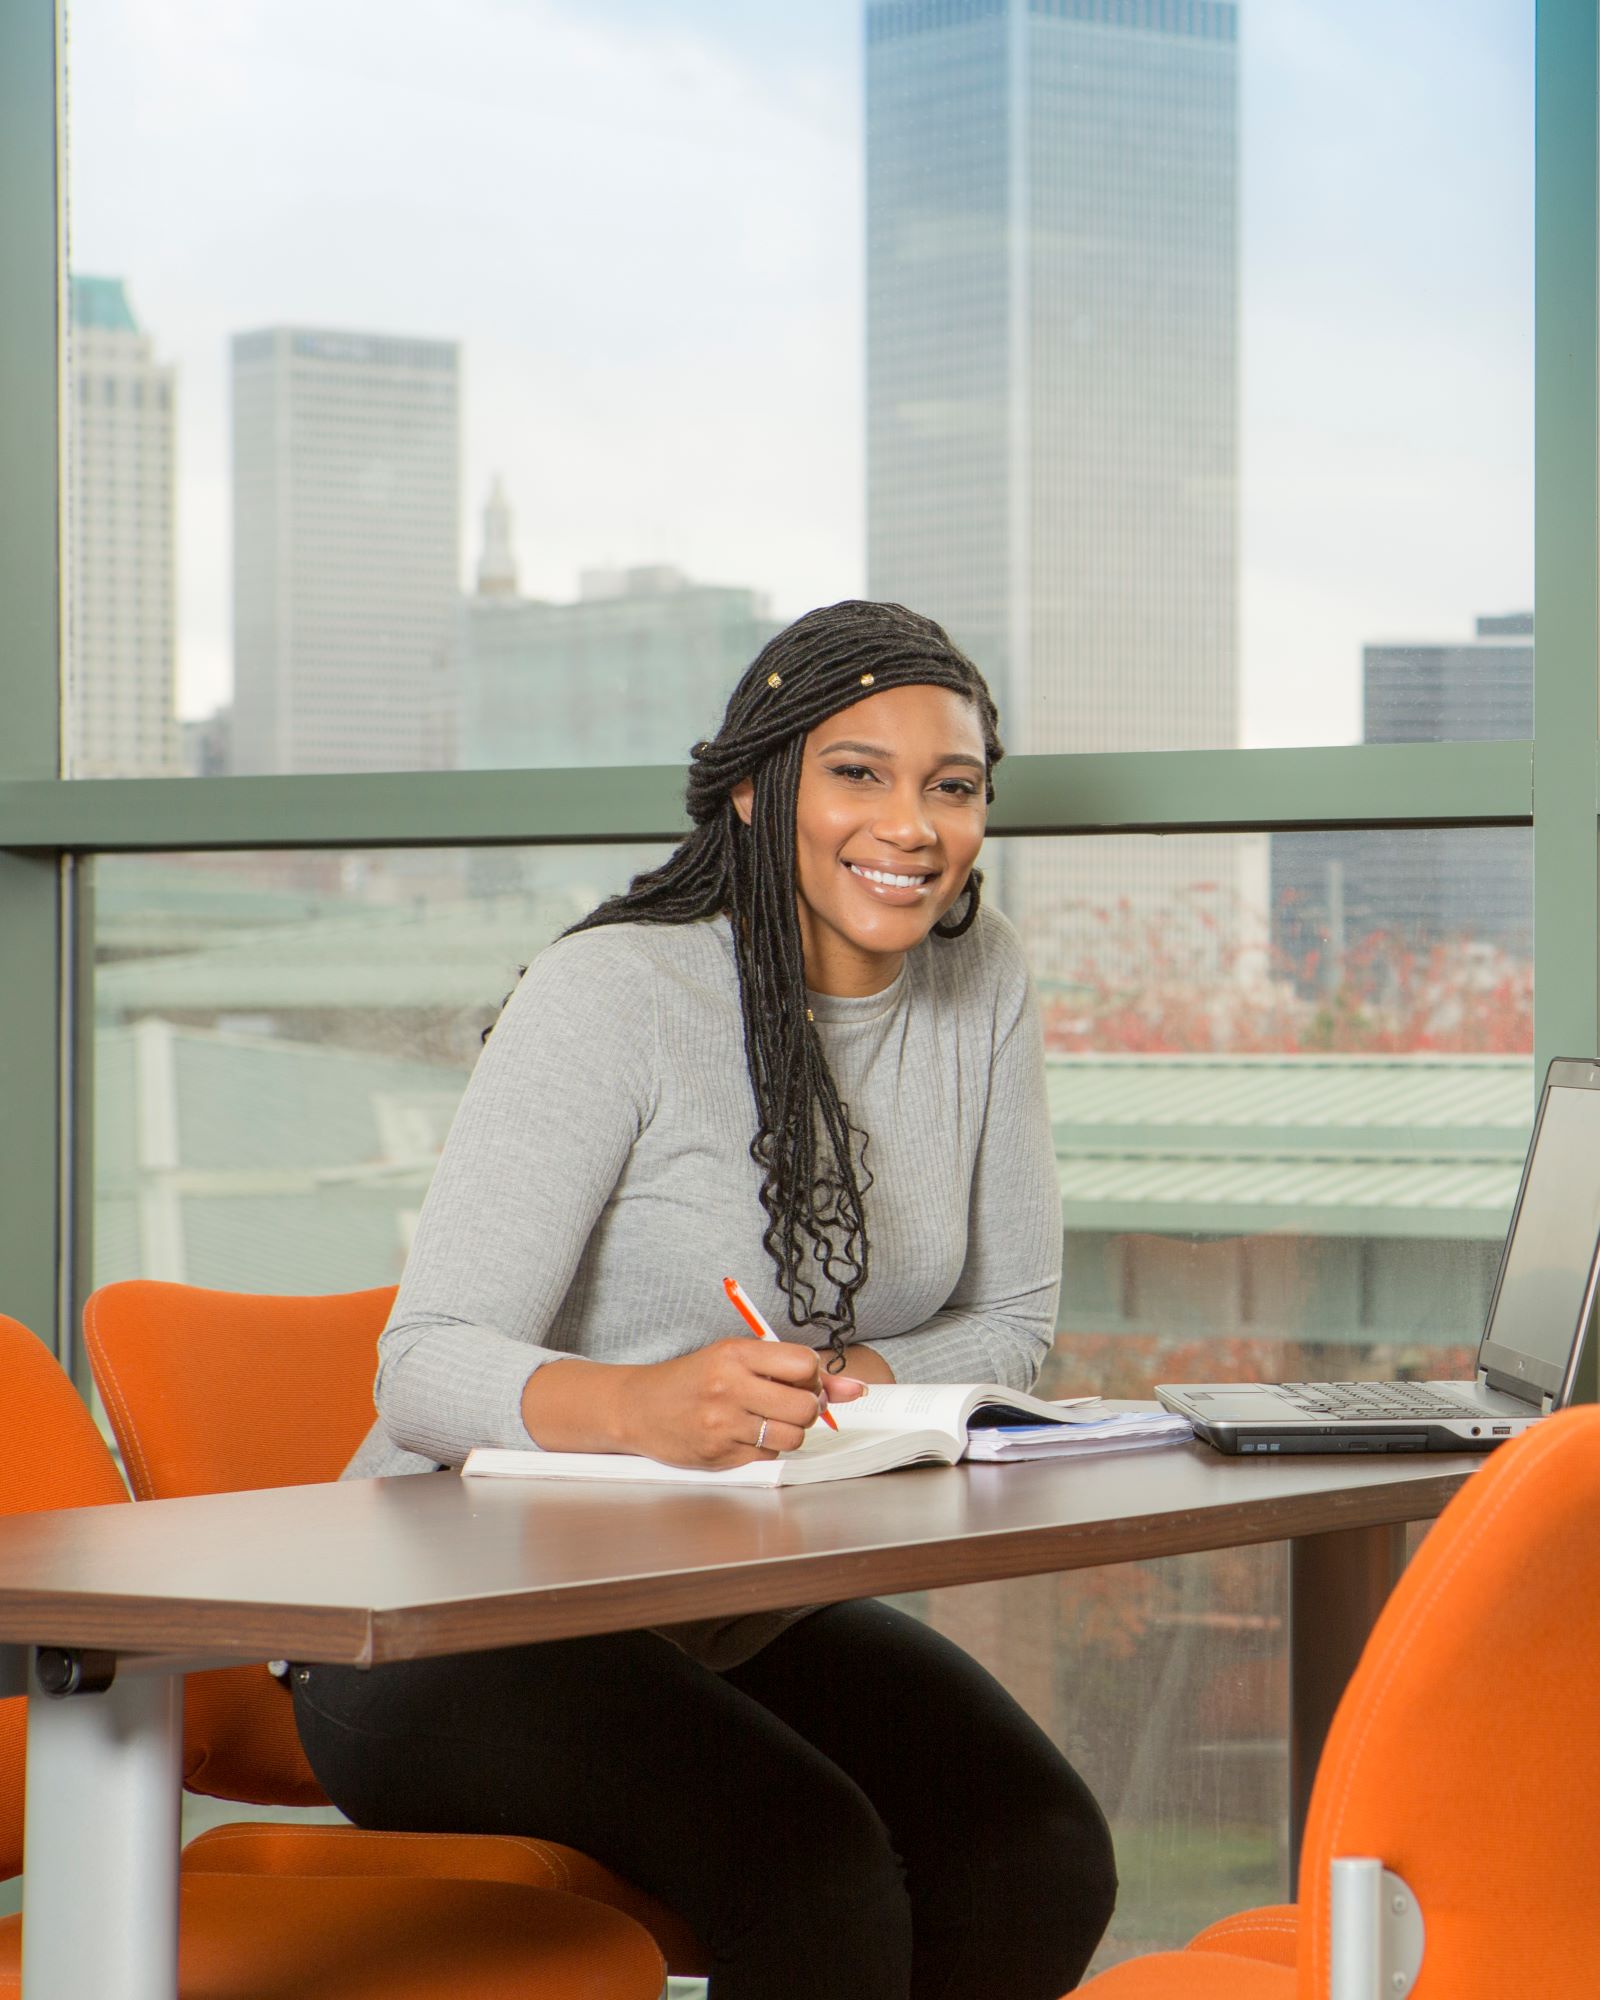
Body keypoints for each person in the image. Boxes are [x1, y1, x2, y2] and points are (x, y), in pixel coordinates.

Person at [290, 601, 1118, 2000]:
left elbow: (1013, 1319)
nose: (911, 824)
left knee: (1036, 1850)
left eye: (953, 785)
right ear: (754, 785)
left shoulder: (982, 978)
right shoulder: (611, 991)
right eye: (858, 773)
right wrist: (641, 1407)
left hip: (723, 1608)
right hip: (453, 1631)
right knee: (813, 1875)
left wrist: (848, 1379)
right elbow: (422, 1370)